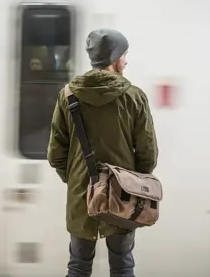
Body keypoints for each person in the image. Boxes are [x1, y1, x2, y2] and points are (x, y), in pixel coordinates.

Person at [47, 28, 159, 277]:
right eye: (125, 55)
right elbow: (148, 154)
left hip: (81, 196)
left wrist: (80, 180)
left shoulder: (68, 95)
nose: (127, 60)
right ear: (116, 58)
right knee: (122, 266)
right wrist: (133, 183)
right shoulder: (134, 97)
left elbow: (56, 153)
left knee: (78, 266)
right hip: (124, 194)